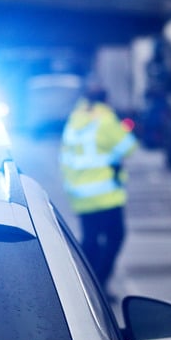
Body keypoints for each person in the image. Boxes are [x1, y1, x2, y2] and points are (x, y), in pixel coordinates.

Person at [59, 83, 138, 296]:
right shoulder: (104, 119)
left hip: (79, 192)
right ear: (106, 99)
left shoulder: (75, 119)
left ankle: (82, 284)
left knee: (90, 240)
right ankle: (99, 285)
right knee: (115, 237)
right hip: (105, 194)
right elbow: (129, 146)